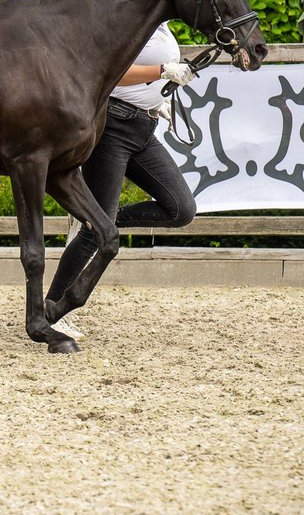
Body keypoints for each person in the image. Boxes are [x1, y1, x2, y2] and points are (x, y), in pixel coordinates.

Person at [46, 22, 198, 338]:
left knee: (181, 209)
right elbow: (112, 72)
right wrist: (163, 71)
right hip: (114, 126)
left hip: (144, 128)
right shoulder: (134, 22)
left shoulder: (162, 27)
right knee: (94, 234)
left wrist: (156, 102)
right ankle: (51, 310)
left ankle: (105, 220)